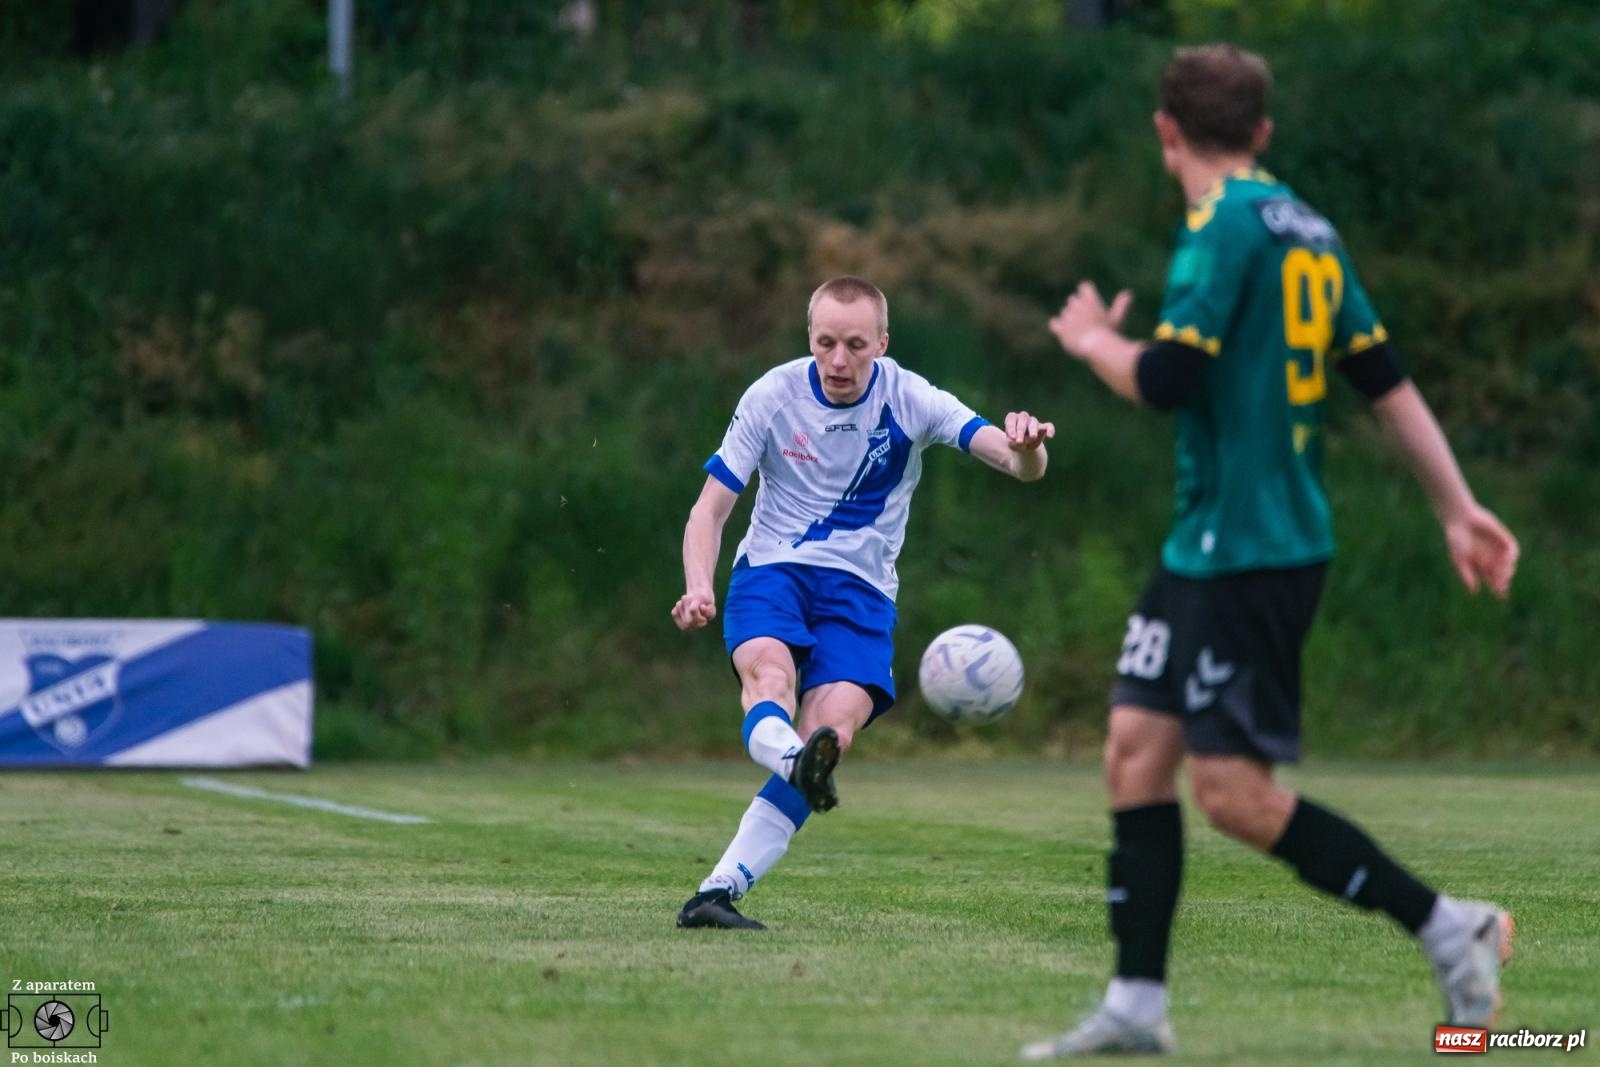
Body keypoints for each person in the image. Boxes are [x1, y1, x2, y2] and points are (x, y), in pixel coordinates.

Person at [1024, 44, 1521, 1058]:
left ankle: (1446, 924)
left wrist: (1091, 346)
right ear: (1261, 132)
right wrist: (1457, 505)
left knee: (1233, 796)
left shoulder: (1223, 227)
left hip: (1253, 550)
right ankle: (1135, 1000)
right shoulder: (1309, 226)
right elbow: (1383, 376)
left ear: (1167, 133)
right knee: (1131, 747)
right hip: (1204, 544)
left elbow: (1165, 376)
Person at [671, 275, 1056, 930]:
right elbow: (710, 509)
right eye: (826, 343)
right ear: (810, 339)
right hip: (773, 570)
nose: (839, 360)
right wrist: (700, 584)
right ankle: (789, 762)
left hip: (862, 593)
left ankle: (717, 891)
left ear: (882, 341)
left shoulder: (911, 398)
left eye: (855, 344)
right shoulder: (773, 395)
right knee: (771, 677)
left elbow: (1017, 464)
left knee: (832, 733)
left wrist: (1029, 446)